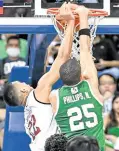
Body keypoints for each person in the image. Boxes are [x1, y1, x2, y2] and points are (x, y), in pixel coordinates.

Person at [3, 3, 75, 151]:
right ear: (23, 91)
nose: (24, 83)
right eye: (21, 83)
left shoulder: (28, 114)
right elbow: (62, 58)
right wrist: (70, 25)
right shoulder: (38, 94)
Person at [49, 6, 105, 151]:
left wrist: (73, 20)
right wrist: (82, 15)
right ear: (82, 75)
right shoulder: (90, 86)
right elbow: (85, 48)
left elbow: (64, 57)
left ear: (61, 77)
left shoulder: (55, 96)